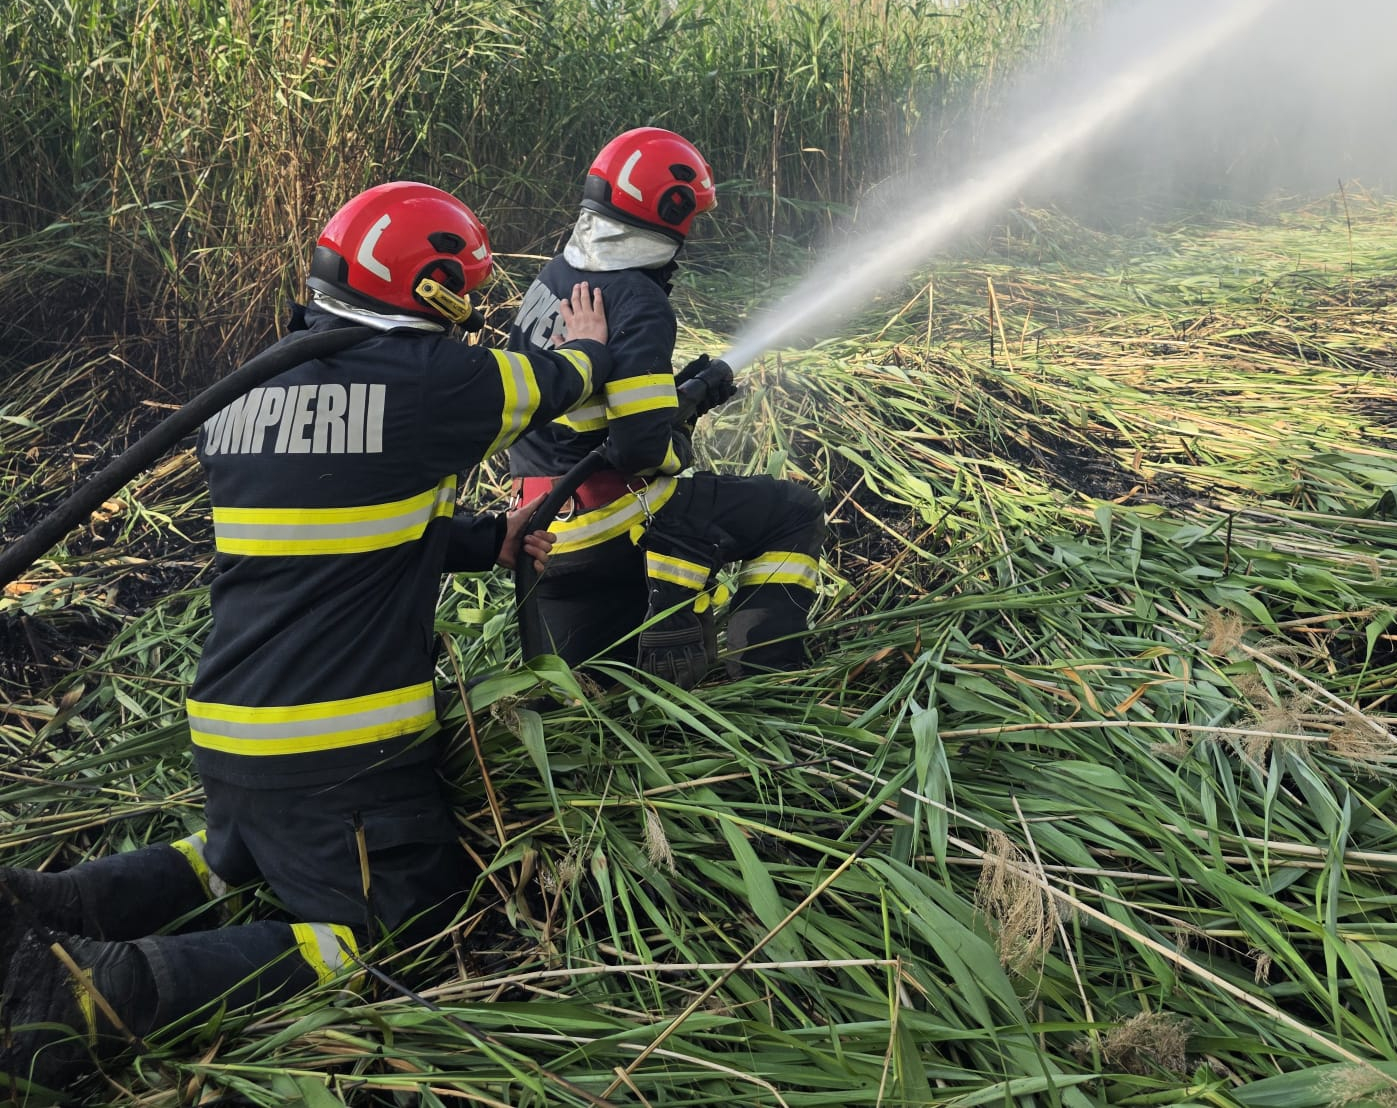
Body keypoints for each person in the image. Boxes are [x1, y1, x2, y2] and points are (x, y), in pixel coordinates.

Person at [0, 182, 611, 1093]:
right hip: (338, 752)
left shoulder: (251, 393)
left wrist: (489, 540)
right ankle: (89, 998)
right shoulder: (433, 381)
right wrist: (592, 346)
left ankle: (53, 904)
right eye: (465, 293)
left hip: (233, 731)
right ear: (435, 288)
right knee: (393, 932)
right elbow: (559, 384)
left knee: (232, 863)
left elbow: (338, 527)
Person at [508, 128, 825, 687]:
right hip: (613, 525)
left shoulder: (555, 276)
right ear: (669, 210)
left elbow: (591, 404)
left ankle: (660, 615)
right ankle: (764, 674)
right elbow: (638, 449)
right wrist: (674, 432)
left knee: (602, 681)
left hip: (544, 534)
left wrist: (683, 396)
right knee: (793, 508)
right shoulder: (639, 300)